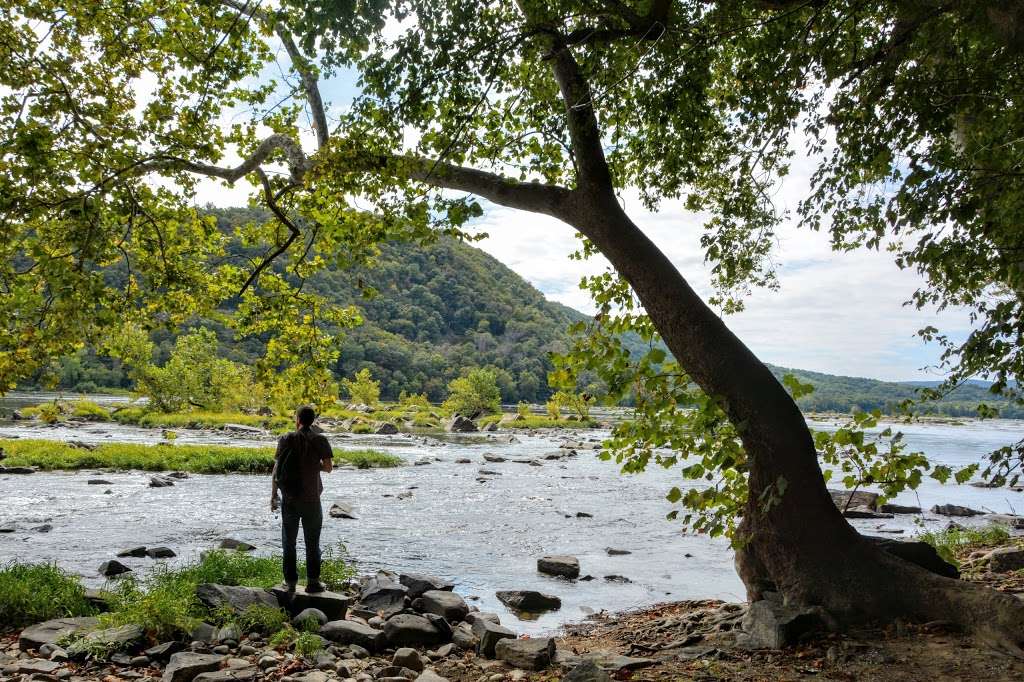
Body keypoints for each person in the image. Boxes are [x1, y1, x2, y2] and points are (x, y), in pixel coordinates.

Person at [271, 405, 333, 593]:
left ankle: (290, 583)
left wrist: (273, 495)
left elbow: (276, 470)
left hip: (289, 498)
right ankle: (313, 583)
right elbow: (329, 468)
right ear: (313, 420)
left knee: (288, 542)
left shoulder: (285, 438)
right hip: (312, 499)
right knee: (312, 542)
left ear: (297, 419)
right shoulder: (320, 440)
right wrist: (314, 465)